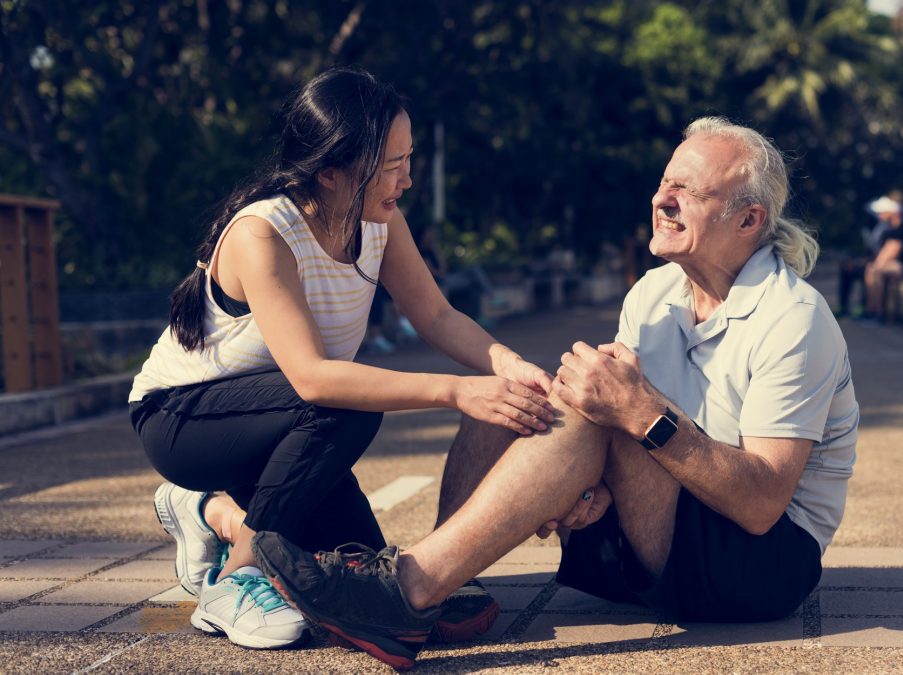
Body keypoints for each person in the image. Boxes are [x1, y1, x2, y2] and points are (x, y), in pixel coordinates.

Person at [247, 116, 859, 670]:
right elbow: (615, 432)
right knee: (514, 393)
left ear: (749, 221)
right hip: (654, 536)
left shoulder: (793, 319)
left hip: (757, 564)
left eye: (688, 192)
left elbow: (761, 505)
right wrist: (587, 486)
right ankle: (449, 595)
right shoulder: (653, 293)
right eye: (663, 183)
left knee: (590, 412)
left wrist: (646, 415)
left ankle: (408, 591)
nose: (660, 200)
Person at [130, 66, 556, 650]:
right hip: (182, 419)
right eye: (391, 166)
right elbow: (311, 379)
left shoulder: (378, 221)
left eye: (410, 159)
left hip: (283, 424)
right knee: (346, 407)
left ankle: (213, 514)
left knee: (362, 576)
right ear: (330, 172)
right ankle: (235, 579)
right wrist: (456, 391)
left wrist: (506, 364)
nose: (406, 179)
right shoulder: (264, 234)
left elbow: (434, 316)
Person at [834, 193, 903, 317]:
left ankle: (868, 310)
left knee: (871, 270)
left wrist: (863, 263)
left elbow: (888, 253)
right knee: (847, 267)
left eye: (882, 212)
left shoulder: (896, 228)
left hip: (896, 264)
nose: (879, 214)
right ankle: (845, 307)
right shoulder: (880, 227)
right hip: (877, 261)